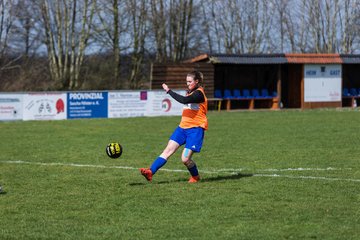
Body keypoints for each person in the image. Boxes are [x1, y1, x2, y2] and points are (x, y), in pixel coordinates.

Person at [140, 70, 208, 183]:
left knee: (185, 159)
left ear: (197, 81)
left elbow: (184, 100)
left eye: (190, 81)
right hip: (182, 129)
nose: (188, 84)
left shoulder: (199, 94)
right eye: (187, 81)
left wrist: (169, 91)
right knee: (167, 151)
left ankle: (195, 177)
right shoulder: (191, 92)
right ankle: (150, 172)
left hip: (195, 130)